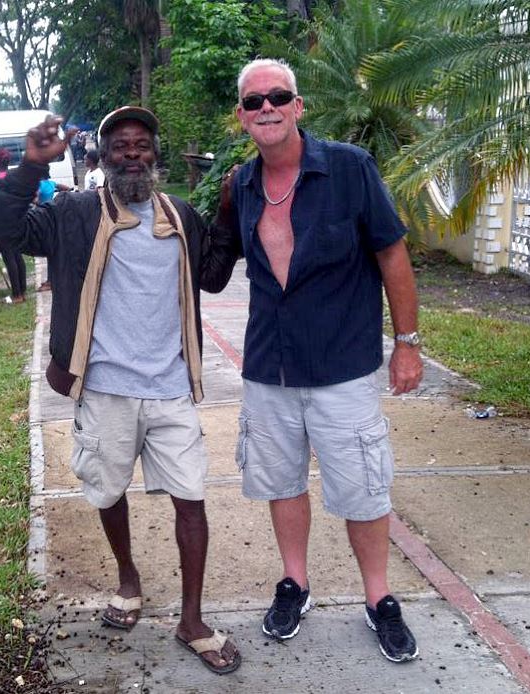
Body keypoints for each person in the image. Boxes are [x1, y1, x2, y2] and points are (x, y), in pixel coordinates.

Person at [0, 107, 241, 675]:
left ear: (155, 154)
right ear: (103, 157)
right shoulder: (74, 213)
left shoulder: (180, 216)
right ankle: (129, 580)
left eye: (141, 143)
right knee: (106, 491)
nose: (132, 152)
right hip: (103, 388)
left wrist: (227, 210)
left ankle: (192, 619)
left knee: (191, 498)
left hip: (171, 386)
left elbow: (215, 275)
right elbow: (4, 231)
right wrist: (30, 165)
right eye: (120, 144)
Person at [221, 58, 423, 662]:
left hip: (342, 365)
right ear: (242, 116)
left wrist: (407, 345)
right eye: (254, 102)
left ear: (298, 105)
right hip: (270, 367)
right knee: (281, 485)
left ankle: (379, 598)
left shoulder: (350, 170)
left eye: (277, 96)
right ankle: (295, 584)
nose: (267, 108)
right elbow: (210, 261)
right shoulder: (241, 186)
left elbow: (393, 257)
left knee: (363, 488)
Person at [0, 148, 27, 304]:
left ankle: (17, 294)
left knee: (8, 256)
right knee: (18, 254)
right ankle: (23, 290)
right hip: (19, 219)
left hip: (3, 221)